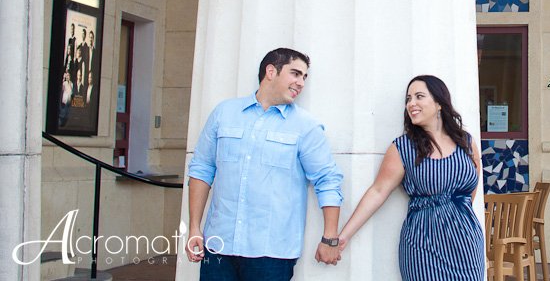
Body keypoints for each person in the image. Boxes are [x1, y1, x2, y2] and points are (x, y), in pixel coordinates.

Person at [184, 47, 344, 280]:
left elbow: (327, 180)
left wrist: (330, 238)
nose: (301, 83)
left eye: (304, 77)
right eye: (295, 73)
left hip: (272, 253)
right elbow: (202, 169)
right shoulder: (224, 113)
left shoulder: (305, 126)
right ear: (271, 71)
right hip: (219, 245)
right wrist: (194, 228)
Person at [337, 75, 485, 281]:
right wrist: (342, 237)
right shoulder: (403, 148)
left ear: (439, 103)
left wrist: (457, 218)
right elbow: (378, 192)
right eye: (408, 99)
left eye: (419, 96)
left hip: (466, 244)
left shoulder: (466, 142)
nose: (411, 104)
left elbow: (470, 191)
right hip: (423, 245)